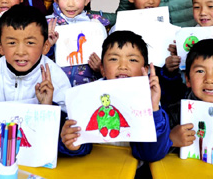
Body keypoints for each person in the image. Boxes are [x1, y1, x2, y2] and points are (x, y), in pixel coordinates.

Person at [0, 4, 71, 163]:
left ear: (45, 46)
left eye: (30, 43)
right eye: (12, 43)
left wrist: (48, 108)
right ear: (0, 47)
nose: (20, 51)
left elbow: (72, 138)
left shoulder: (56, 78)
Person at [59, 30, 172, 164]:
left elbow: (152, 154)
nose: (123, 66)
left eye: (133, 60)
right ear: (102, 68)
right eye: (113, 59)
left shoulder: (149, 99)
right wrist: (73, 145)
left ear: (145, 70)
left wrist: (153, 107)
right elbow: (81, 143)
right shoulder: (88, 95)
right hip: (92, 168)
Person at [46, 0, 109, 86]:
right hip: (57, 88)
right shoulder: (50, 24)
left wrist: (101, 67)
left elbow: (109, 55)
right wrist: (48, 45)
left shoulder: (95, 24)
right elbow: (37, 58)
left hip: (89, 87)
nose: (70, 4)